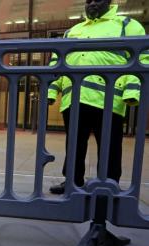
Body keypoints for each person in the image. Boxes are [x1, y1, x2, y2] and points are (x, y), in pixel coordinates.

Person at [48, 0, 146, 194]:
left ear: (109, 2)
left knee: (109, 145)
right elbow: (57, 62)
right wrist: (51, 90)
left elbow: (142, 58)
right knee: (74, 144)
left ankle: (108, 184)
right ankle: (72, 182)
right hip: (74, 98)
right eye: (88, 0)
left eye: (98, 0)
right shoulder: (73, 30)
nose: (92, 4)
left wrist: (132, 91)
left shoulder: (127, 25)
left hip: (109, 99)